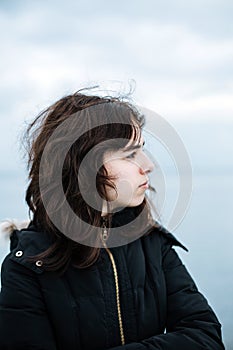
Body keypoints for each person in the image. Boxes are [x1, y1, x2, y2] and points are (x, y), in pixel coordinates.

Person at [0, 90, 225, 349]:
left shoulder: (152, 243)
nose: (148, 165)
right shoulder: (28, 266)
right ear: (83, 165)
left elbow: (204, 335)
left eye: (141, 150)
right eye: (129, 155)